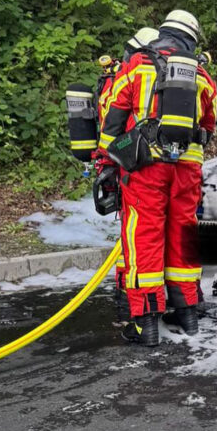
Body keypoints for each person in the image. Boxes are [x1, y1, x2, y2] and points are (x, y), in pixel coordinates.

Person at [98, 10, 217, 346]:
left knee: (144, 235)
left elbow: (112, 115)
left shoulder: (136, 66)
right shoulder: (203, 77)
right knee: (183, 235)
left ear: (163, 33)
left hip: (146, 167)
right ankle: (188, 314)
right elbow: (208, 126)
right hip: (188, 171)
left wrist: (110, 157)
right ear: (192, 40)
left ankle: (145, 324)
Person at [93, 27, 160, 325]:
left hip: (129, 164)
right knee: (137, 237)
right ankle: (130, 300)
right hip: (129, 164)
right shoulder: (135, 76)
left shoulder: (128, 76)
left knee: (135, 236)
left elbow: (111, 120)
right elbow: (113, 122)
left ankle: (129, 299)